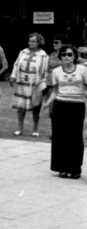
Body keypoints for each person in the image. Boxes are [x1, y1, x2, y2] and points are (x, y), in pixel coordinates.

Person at [44, 44, 87, 178]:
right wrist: (48, 103)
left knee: (75, 137)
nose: (66, 57)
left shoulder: (82, 70)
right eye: (63, 54)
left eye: (69, 54)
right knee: (60, 136)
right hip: (60, 105)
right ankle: (61, 167)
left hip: (77, 105)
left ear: (74, 56)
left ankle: (74, 169)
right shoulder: (56, 71)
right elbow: (55, 90)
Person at [10, 32, 50, 137]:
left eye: (33, 41)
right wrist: (13, 76)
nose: (30, 43)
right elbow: (16, 64)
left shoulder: (43, 56)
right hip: (22, 83)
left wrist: (43, 84)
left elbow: (45, 70)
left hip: (35, 84)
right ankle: (20, 128)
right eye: (29, 41)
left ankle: (35, 128)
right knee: (20, 107)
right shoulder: (23, 52)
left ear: (38, 43)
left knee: (35, 107)